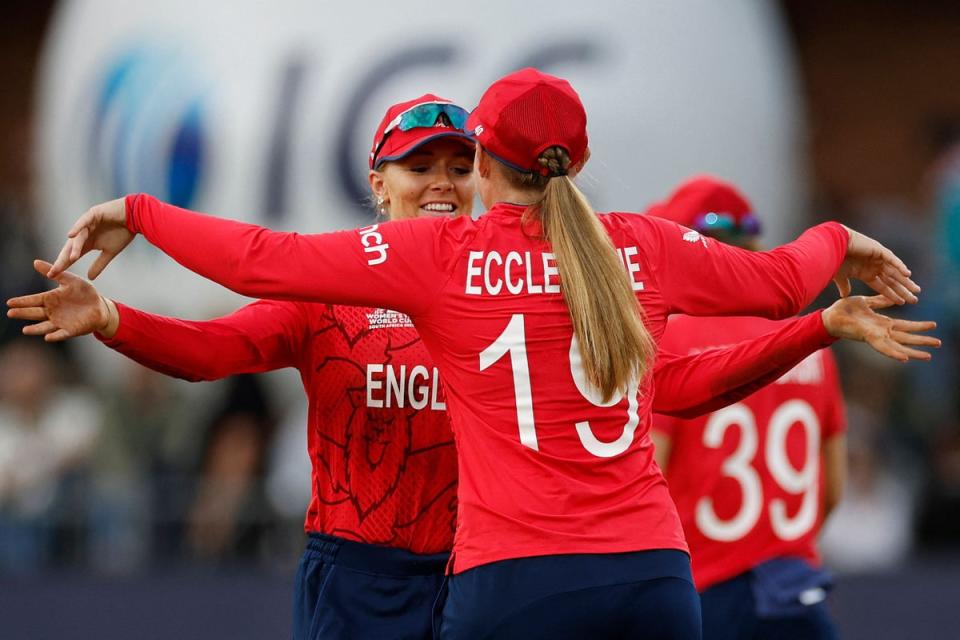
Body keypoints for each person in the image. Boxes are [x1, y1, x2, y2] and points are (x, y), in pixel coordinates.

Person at [14, 68, 935, 638]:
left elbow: (672, 385)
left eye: (460, 163)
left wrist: (142, 212)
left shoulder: (468, 262)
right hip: (379, 572)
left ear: (489, 169)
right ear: (378, 183)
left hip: (489, 575)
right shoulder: (370, 282)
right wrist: (114, 322)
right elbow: (218, 351)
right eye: (422, 166)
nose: (446, 180)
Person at [648, 177, 851, 639]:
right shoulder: (813, 345)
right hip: (798, 597)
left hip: (704, 599)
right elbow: (832, 489)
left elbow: (650, 475)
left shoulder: (671, 337)